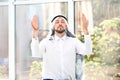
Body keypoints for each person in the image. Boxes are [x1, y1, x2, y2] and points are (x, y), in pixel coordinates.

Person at [31, 14, 92, 80]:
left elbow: (87, 51)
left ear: (66, 26)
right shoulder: (46, 41)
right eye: (57, 22)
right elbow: (36, 53)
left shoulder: (73, 41)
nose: (60, 24)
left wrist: (85, 30)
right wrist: (35, 32)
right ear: (53, 26)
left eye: (63, 22)